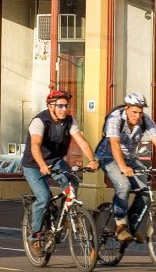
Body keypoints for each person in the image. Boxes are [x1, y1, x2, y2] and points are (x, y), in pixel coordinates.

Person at [22, 90, 99, 256]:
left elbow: (81, 141)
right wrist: (42, 165)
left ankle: (64, 216)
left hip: (56, 161)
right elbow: (35, 146)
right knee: (43, 197)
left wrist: (92, 160)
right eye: (60, 106)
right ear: (51, 106)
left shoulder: (69, 122)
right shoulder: (39, 121)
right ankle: (35, 236)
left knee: (72, 182)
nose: (64, 109)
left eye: (66, 106)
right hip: (34, 165)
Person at [96, 92, 156, 243]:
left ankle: (131, 229)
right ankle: (120, 225)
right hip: (108, 157)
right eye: (134, 112)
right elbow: (114, 144)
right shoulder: (115, 118)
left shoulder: (145, 120)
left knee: (146, 193)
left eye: (140, 112)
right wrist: (122, 167)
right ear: (127, 108)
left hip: (129, 158)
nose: (137, 116)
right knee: (124, 185)